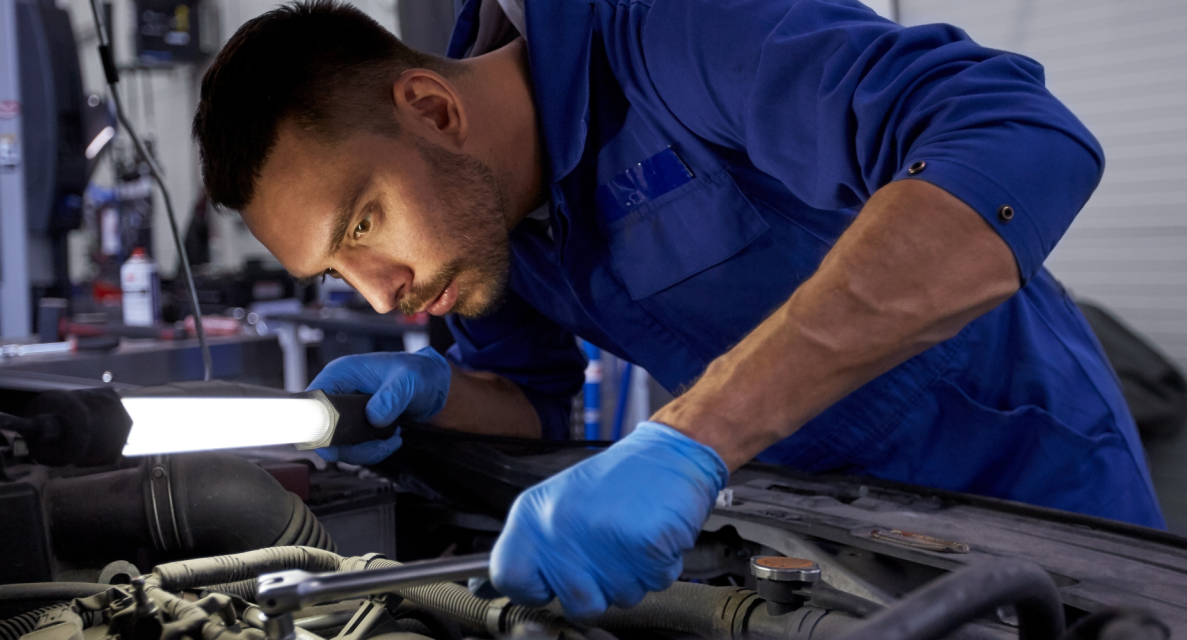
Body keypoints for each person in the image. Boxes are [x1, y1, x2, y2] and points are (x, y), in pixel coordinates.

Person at [192, 0, 1166, 618]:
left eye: (363, 223)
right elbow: (532, 404)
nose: (381, 290)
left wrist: (691, 437)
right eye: (337, 269)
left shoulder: (670, 30)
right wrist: (427, 394)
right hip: (815, 544)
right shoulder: (478, 225)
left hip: (1036, 505)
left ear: (434, 110)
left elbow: (1016, 137)